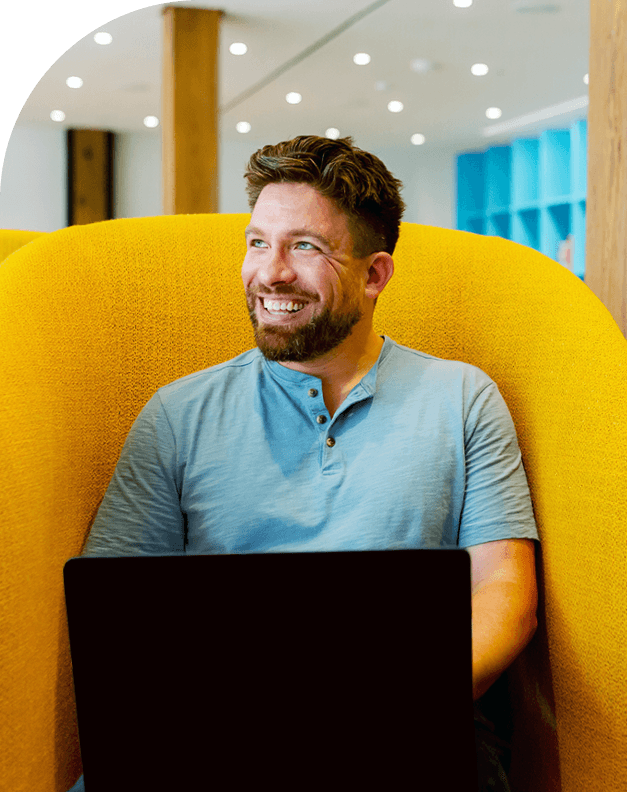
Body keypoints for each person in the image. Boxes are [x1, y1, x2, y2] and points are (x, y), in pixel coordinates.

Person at [66, 135, 539, 792]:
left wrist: (391, 708)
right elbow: (111, 610)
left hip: (409, 729)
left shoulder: (461, 398)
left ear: (374, 275)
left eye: (304, 247)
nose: (271, 272)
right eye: (258, 242)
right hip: (211, 730)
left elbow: (505, 594)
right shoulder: (178, 413)